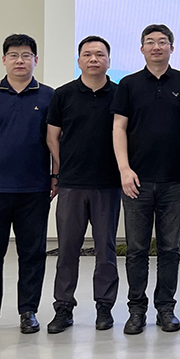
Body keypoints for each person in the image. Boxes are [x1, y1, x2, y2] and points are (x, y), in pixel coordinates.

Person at [0, 34, 54, 338]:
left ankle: (28, 311)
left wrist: (55, 176)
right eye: (13, 55)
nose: (20, 60)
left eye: (26, 55)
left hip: (35, 189)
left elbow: (56, 140)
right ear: (4, 60)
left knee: (33, 254)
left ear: (35, 60)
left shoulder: (48, 96)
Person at [112, 24, 180, 335]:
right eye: (150, 42)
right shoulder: (129, 84)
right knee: (136, 249)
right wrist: (124, 169)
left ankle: (166, 309)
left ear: (171, 48)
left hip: (174, 180)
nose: (157, 47)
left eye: (163, 42)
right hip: (136, 181)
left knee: (169, 249)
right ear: (142, 49)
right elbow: (119, 128)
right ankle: (136, 311)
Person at [45, 36, 122, 333]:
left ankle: (104, 307)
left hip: (108, 184)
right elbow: (52, 136)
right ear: (79, 60)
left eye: (100, 54)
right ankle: (63, 308)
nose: (93, 59)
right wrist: (62, 168)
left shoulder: (120, 94)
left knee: (106, 250)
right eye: (87, 54)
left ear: (109, 61)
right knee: (67, 250)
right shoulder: (63, 94)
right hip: (72, 185)